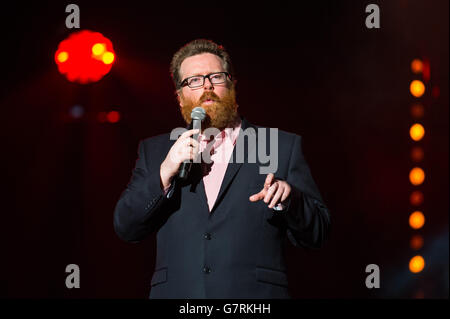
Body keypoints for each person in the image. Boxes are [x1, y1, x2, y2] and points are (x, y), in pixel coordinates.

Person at [113, 39, 331, 299]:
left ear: (232, 84)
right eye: (193, 80)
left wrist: (290, 199)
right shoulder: (157, 151)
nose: (206, 85)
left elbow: (318, 232)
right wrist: (164, 173)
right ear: (180, 95)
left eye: (215, 76)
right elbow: (126, 226)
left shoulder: (279, 146)